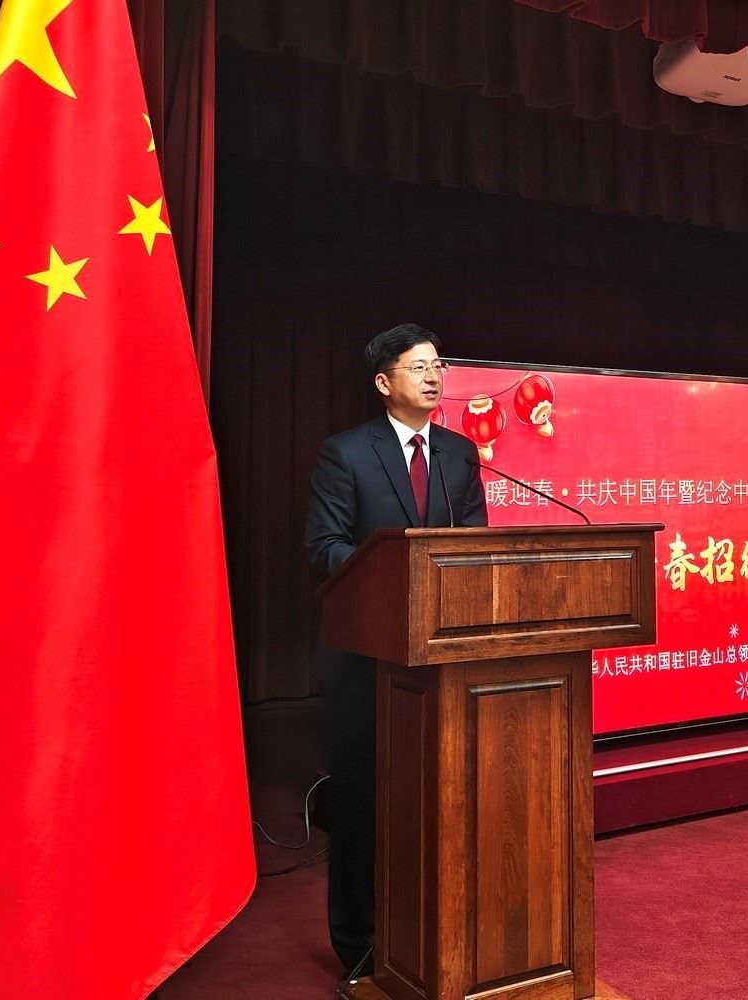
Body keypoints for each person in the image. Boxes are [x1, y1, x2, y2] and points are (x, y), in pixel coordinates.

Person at [304, 323, 487, 976]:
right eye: (418, 366)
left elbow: (475, 545)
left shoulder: (461, 454)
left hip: (440, 663)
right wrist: (399, 580)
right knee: (362, 806)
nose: (434, 376)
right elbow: (325, 547)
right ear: (384, 382)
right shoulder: (346, 453)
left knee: (440, 801)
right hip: (365, 663)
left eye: (439, 366)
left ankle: (436, 937)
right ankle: (361, 948)